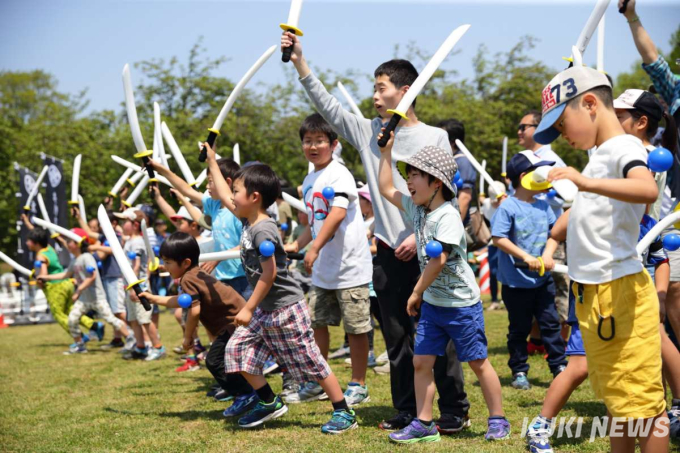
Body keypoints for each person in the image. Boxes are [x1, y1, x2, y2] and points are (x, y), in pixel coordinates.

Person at [282, 30, 471, 434]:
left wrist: (417, 236)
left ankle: (454, 408)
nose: (374, 94)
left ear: (404, 91)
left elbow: (447, 202)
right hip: (386, 252)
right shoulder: (370, 132)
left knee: (439, 333)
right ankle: (406, 409)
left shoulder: (435, 137)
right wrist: (300, 62)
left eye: (380, 87)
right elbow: (328, 107)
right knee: (397, 334)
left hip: (428, 251)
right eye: (373, 87)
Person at [536, 64, 669, 451]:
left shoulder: (623, 147)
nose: (563, 137)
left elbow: (645, 189)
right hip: (596, 294)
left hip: (619, 292)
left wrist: (583, 181)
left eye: (562, 125)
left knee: (643, 407)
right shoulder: (601, 156)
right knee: (618, 399)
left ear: (590, 103)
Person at [203, 145, 357, 434]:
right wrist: (212, 160)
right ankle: (269, 401)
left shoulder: (263, 229)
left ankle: (343, 411)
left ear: (255, 197)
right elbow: (223, 195)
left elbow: (270, 273)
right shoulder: (248, 220)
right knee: (236, 350)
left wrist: (249, 307)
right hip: (265, 309)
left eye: (237, 191)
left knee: (309, 360)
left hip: (285, 308)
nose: (232, 196)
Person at [377, 132, 509, 442]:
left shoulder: (448, 217)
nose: (408, 182)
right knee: (422, 361)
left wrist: (416, 292)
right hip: (435, 306)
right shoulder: (418, 209)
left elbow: (437, 262)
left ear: (436, 182)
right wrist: (386, 153)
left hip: (461, 306)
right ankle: (424, 424)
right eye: (407, 175)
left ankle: (498, 419)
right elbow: (385, 188)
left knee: (477, 362)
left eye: (415, 176)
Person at [283, 113, 373, 406]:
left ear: (333, 144)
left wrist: (314, 248)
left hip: (349, 267)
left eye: (319, 141)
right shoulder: (310, 178)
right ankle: (319, 380)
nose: (313, 146)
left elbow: (336, 214)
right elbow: (315, 219)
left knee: (355, 328)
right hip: (323, 269)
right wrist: (298, 243)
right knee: (316, 323)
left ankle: (358, 384)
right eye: (307, 141)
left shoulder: (340, 174)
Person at [135, 232, 258, 416]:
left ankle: (246, 394)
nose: (165, 267)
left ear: (184, 263)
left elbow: (193, 311)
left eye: (168, 263)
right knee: (225, 360)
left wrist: (187, 338)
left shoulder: (188, 279)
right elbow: (182, 301)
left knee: (214, 361)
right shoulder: (194, 271)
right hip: (239, 320)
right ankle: (248, 392)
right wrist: (153, 298)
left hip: (234, 323)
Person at [490, 151, 567, 389]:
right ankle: (519, 371)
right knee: (519, 329)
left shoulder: (545, 207)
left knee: (550, 324)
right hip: (515, 283)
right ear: (524, 176)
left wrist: (546, 254)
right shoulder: (508, 207)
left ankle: (559, 366)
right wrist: (525, 256)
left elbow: (555, 234)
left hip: (542, 280)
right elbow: (498, 238)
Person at [148, 157, 252, 301]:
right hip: (223, 278)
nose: (207, 187)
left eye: (210, 181)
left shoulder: (238, 211)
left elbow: (247, 243)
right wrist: (160, 169)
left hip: (244, 277)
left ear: (227, 183)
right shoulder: (215, 205)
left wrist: (218, 258)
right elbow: (187, 190)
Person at [39, 229, 134, 354]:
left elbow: (92, 276)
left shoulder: (87, 258)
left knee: (111, 319)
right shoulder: (75, 260)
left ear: (78, 243)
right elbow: (65, 275)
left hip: (96, 297)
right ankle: (79, 345)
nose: (67, 243)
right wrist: (45, 277)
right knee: (72, 320)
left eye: (70, 241)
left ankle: (131, 339)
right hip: (84, 299)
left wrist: (78, 290)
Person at [24, 227, 100, 344]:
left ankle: (79, 336)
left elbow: (43, 275)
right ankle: (94, 325)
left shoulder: (40, 256)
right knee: (70, 311)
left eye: (29, 240)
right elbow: (38, 233)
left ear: (36, 242)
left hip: (55, 287)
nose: (26, 243)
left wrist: (38, 280)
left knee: (59, 315)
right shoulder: (49, 248)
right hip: (66, 284)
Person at [115, 208, 165, 361]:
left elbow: (136, 266)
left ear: (135, 225)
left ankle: (157, 347)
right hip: (131, 287)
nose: (123, 225)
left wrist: (133, 287)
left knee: (144, 319)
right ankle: (140, 347)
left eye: (125, 222)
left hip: (138, 287)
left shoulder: (137, 242)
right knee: (133, 319)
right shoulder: (130, 240)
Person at [437, 119, 476, 223]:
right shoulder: (448, 159)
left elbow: (465, 197)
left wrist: (455, 226)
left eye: (441, 138)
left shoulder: (463, 161)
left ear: (453, 141)